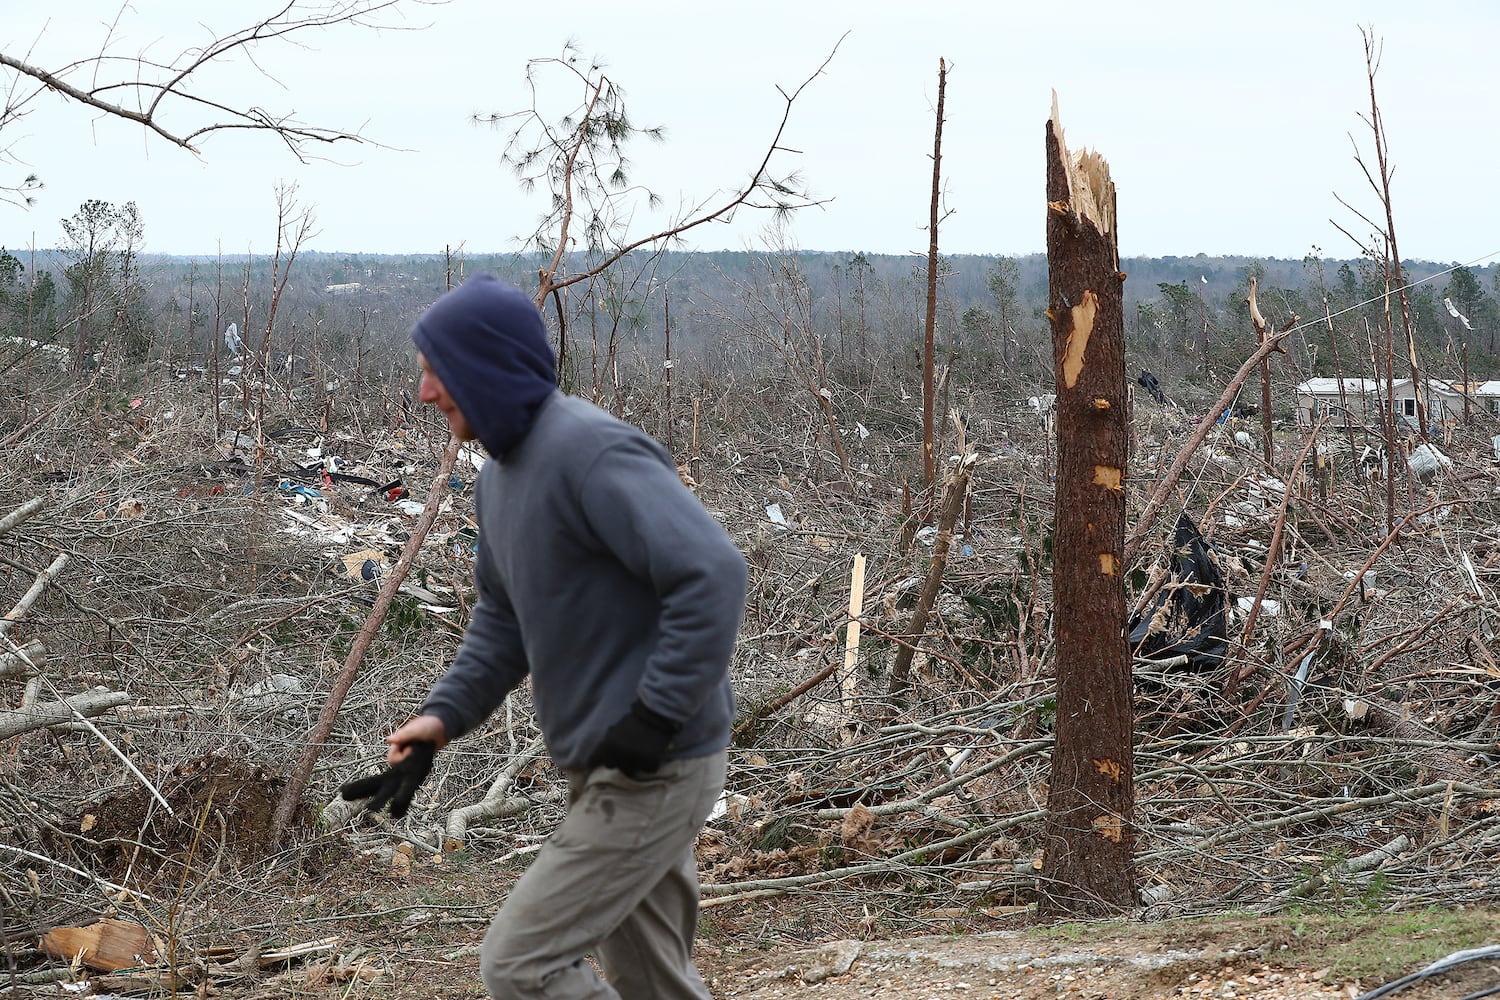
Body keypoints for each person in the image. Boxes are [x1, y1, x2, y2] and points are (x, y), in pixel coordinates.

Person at [340, 274, 748, 1000]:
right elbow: (501, 621)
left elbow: (713, 573)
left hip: (655, 764)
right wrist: (441, 718)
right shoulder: (499, 479)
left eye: (437, 372)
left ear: (485, 368)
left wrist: (654, 716)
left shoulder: (589, 451)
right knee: (654, 981)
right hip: (610, 762)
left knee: (520, 965)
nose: (426, 393)